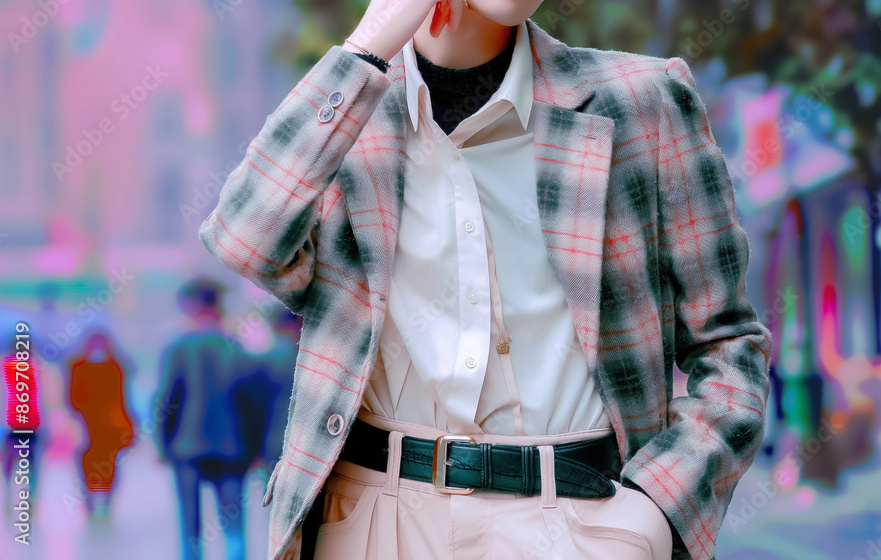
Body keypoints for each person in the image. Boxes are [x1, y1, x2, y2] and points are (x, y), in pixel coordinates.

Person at [198, 1, 773, 559]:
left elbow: (728, 345)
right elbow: (246, 241)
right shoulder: (347, 114)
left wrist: (655, 506)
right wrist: (369, 41)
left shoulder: (640, 102)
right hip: (374, 518)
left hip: (581, 521)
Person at [155, 276, 258, 560]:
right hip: (232, 449)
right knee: (233, 527)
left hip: (187, 449)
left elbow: (165, 402)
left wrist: (163, 447)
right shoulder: (236, 348)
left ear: (190, 307)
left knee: (190, 528)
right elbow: (251, 403)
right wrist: (255, 450)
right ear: (219, 306)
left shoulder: (179, 349)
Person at [67, 330, 135, 520]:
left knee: (109, 465)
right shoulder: (78, 367)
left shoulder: (116, 367)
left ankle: (105, 502)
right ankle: (91, 503)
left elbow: (122, 399)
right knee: (88, 465)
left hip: (108, 427)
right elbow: (72, 399)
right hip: (87, 426)